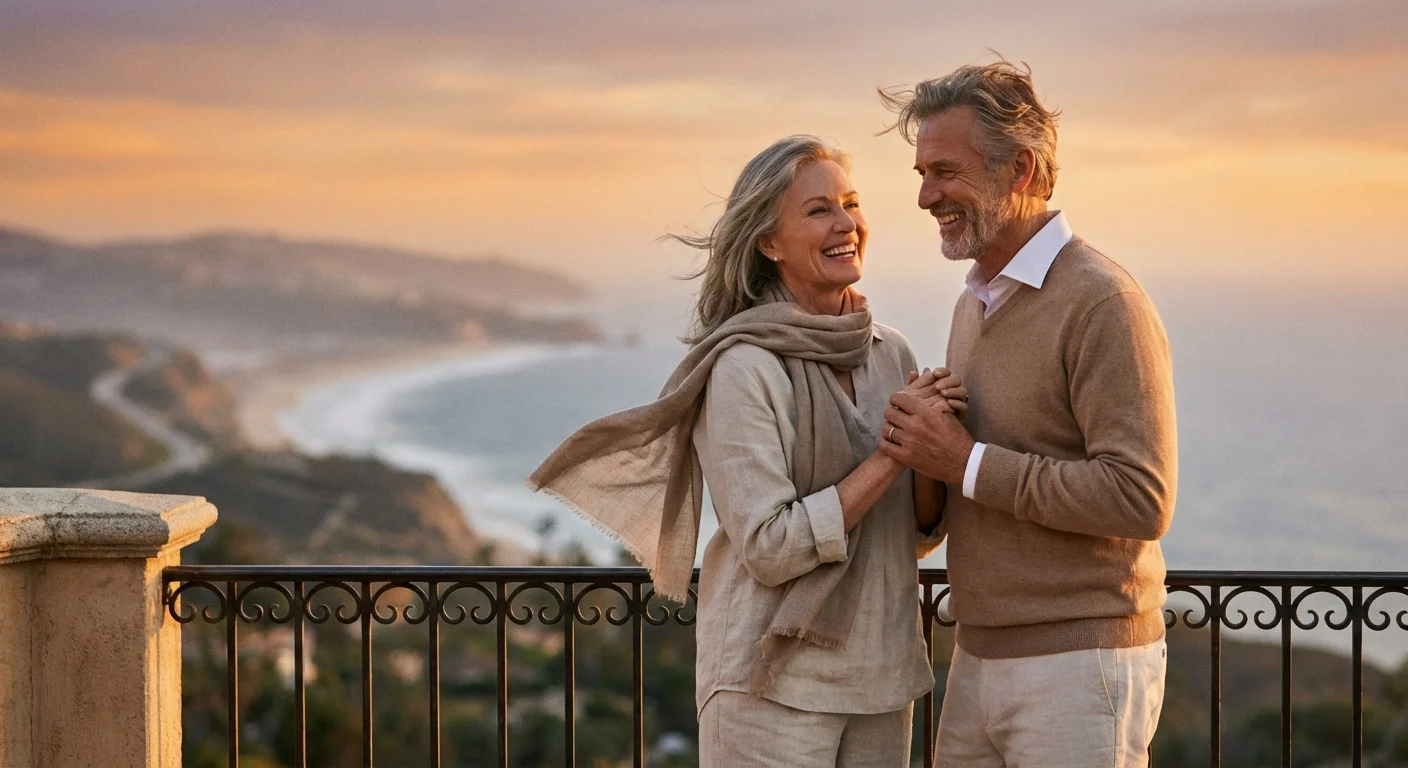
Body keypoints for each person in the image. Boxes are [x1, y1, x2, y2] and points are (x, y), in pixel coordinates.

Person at [530, 135, 965, 767]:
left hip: (881, 676)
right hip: (769, 683)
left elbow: (911, 534)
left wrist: (934, 437)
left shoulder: (888, 353)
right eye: (818, 210)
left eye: (850, 202)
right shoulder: (744, 368)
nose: (845, 223)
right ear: (768, 242)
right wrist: (894, 452)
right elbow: (770, 546)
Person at [876, 60, 1178, 766]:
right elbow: (969, 487)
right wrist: (923, 453)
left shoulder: (1104, 302)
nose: (926, 196)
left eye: (944, 172)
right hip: (977, 657)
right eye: (921, 174)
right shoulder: (972, 303)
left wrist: (963, 460)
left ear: (1018, 169)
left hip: (1081, 667)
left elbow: (1140, 498)